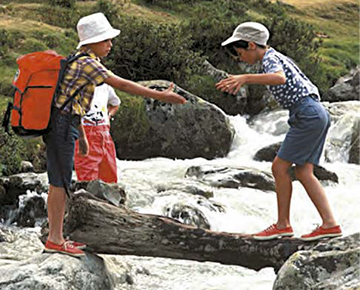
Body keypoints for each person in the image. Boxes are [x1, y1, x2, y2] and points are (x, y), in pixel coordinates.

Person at [43, 12, 186, 257]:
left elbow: (71, 102)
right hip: (62, 127)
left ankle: (56, 237)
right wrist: (161, 95)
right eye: (106, 40)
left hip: (64, 125)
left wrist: (82, 137)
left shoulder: (77, 59)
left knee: (61, 182)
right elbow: (123, 85)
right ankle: (55, 239)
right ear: (92, 41)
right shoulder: (88, 63)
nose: (110, 45)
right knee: (60, 183)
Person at [215, 22, 342, 241]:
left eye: (239, 52)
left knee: (279, 168)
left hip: (308, 114)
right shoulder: (277, 56)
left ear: (252, 45)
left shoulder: (270, 60)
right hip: (316, 113)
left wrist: (245, 78)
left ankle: (283, 225)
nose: (239, 58)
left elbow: (279, 78)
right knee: (303, 172)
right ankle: (329, 224)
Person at [74, 83, 120, 183]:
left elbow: (115, 103)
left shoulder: (106, 86)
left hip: (105, 134)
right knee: (87, 177)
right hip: (85, 132)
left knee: (110, 177)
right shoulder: (78, 85)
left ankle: (109, 197)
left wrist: (109, 115)